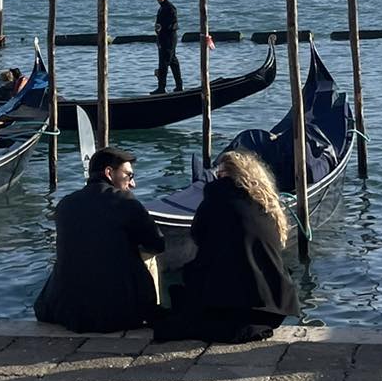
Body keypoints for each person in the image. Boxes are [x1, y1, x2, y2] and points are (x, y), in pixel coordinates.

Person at [154, 148, 297, 343]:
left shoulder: (216, 194)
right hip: (274, 305)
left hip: (227, 303)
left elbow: (197, 235)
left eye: (218, 174)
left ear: (223, 175)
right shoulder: (266, 202)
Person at [34, 146, 164, 332]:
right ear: (109, 173)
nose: (133, 184)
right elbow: (158, 244)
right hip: (119, 314)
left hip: (67, 312)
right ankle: (152, 309)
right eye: (129, 176)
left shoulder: (65, 204)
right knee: (149, 256)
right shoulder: (126, 201)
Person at [153, 0, 183, 94]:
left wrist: (162, 28)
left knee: (164, 62)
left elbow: (174, 23)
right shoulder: (161, 8)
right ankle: (179, 85)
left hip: (169, 38)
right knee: (173, 62)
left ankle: (161, 87)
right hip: (163, 37)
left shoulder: (170, 7)